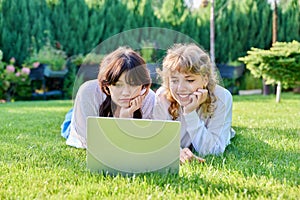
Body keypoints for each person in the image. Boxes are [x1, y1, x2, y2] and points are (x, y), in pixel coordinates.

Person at [153, 43, 235, 164]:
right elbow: (159, 139)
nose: (181, 88)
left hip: (221, 132)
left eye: (190, 80)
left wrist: (190, 113)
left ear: (205, 79)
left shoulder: (222, 98)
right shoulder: (162, 96)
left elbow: (213, 150)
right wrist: (176, 151)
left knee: (225, 133)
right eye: (174, 80)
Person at [61, 46, 155, 148]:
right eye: (118, 85)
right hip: (91, 109)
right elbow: (86, 141)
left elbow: (139, 141)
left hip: (104, 118)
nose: (126, 93)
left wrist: (125, 118)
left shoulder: (149, 98)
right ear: (106, 85)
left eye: (133, 84)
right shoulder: (88, 92)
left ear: (143, 84)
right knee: (68, 127)